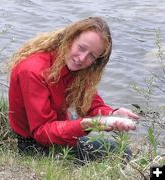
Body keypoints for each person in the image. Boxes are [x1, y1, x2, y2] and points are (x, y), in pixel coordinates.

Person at [8, 16, 139, 163]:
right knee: (122, 153)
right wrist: (86, 124)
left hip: (57, 128)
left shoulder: (73, 65)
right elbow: (42, 132)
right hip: (34, 144)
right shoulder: (33, 70)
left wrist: (112, 114)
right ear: (70, 39)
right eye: (81, 48)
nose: (82, 58)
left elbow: (90, 104)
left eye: (91, 56)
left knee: (81, 124)